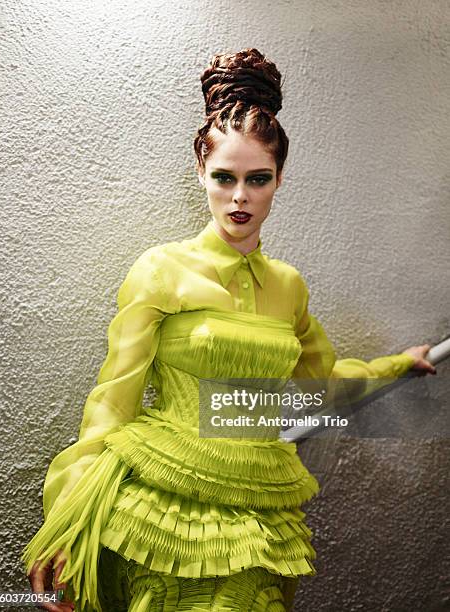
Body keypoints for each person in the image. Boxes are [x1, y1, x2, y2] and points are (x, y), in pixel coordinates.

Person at [22, 48, 436, 612]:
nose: (239, 197)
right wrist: (65, 522)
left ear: (279, 179)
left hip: (262, 510)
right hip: (161, 507)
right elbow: (111, 403)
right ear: (201, 173)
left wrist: (397, 365)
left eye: (257, 179)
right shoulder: (160, 269)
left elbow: (320, 378)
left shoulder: (289, 286)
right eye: (225, 177)